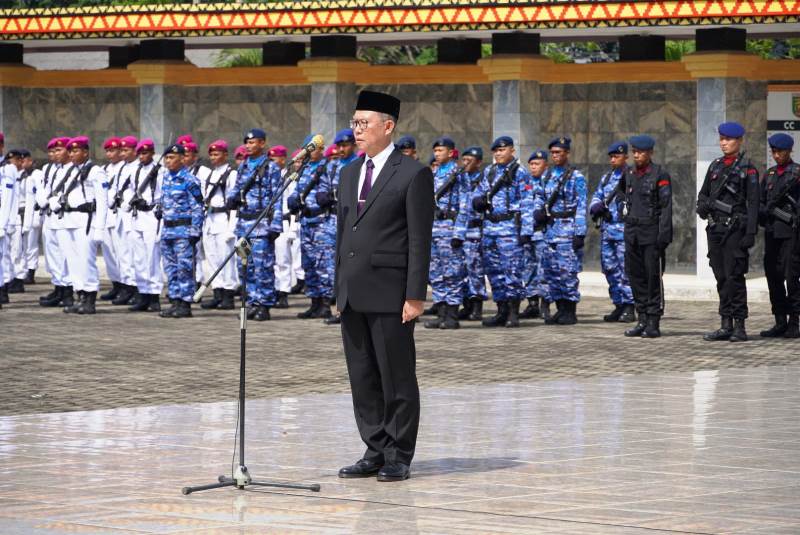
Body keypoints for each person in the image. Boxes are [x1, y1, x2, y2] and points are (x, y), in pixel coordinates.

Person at [336, 90, 434, 482]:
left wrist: (414, 295)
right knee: (363, 377)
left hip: (392, 292)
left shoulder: (412, 174)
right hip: (353, 292)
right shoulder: (348, 173)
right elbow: (343, 234)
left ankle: (398, 453)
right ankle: (374, 448)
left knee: (396, 376)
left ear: (388, 126)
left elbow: (419, 239)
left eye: (364, 123)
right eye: (354, 123)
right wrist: (337, 291)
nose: (356, 130)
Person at [696, 122, 760, 342]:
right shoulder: (715, 166)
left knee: (735, 277)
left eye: (728, 139)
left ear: (739, 141)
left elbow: (753, 203)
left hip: (735, 230)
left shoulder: (747, 168)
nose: (724, 143)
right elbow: (703, 195)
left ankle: (740, 325)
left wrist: (750, 232)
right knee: (721, 277)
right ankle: (725, 323)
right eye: (722, 139)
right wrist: (702, 207)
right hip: (715, 228)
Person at [225, 128, 283, 321]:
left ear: (263, 143)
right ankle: (251, 302)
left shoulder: (271, 167)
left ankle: (264, 305)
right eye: (247, 143)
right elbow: (237, 189)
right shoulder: (243, 166)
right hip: (243, 224)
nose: (249, 146)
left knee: (262, 267)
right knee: (245, 266)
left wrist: (275, 225)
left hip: (261, 224)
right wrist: (231, 199)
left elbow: (277, 196)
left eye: (253, 142)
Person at [472, 136, 529, 328]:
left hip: (510, 228)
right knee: (494, 271)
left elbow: (528, 202)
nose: (498, 153)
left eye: (502, 150)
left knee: (511, 270)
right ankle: (501, 310)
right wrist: (477, 201)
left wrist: (526, 231)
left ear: (512, 151)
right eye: (495, 151)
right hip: (490, 228)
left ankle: (514, 312)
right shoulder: (489, 171)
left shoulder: (520, 173)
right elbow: (478, 193)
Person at [532, 136, 587, 325]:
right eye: (553, 153)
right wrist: (538, 212)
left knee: (567, 272)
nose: (555, 156)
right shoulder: (546, 175)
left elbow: (581, 206)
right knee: (552, 272)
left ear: (567, 153)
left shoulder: (575, 177)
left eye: (559, 152)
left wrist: (579, 232)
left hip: (567, 228)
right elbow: (539, 196)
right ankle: (560, 308)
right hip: (550, 230)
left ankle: (570, 310)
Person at [622, 135, 672, 338]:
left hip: (651, 234)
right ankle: (641, 317)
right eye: (634, 152)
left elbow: (666, 206)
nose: (637, 155)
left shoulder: (659, 174)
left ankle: (653, 321)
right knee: (636, 277)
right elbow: (622, 198)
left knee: (652, 277)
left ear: (650, 152)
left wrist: (664, 234)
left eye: (640, 152)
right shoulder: (630, 173)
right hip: (633, 233)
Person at [51, 136, 108, 315]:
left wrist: (99, 228)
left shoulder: (95, 171)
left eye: (76, 151)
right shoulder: (70, 171)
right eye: (71, 151)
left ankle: (90, 297)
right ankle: (80, 294)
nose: (73, 154)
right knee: (73, 261)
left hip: (86, 221)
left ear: (86, 152)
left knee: (85, 260)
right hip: (68, 220)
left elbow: (102, 201)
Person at [288, 134, 334, 320]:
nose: (310, 151)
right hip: (306, 222)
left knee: (323, 264)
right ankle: (314, 302)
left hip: (322, 222)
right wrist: (293, 200)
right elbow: (297, 191)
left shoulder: (328, 167)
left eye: (313, 148)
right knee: (308, 264)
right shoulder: (305, 168)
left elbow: (333, 192)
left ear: (321, 150)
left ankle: (325, 304)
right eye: (307, 148)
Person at [758, 133, 800, 338]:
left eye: (780, 152)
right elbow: (760, 201)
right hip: (773, 232)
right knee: (773, 276)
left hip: (792, 234)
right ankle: (780, 320)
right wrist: (763, 213)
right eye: (773, 152)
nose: (776, 155)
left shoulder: (797, 173)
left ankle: (795, 321)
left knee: (792, 278)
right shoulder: (769, 175)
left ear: (789, 151)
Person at [589, 141, 636, 322]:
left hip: (623, 231)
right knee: (609, 269)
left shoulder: (631, 177)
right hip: (608, 231)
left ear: (625, 157)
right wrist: (596, 207)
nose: (613, 159)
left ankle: (629, 306)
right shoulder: (607, 178)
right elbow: (597, 196)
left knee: (626, 270)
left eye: (617, 156)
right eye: (611, 156)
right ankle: (618, 304)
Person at [159, 143, 205, 318]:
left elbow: (198, 207)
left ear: (181, 159)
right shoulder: (166, 178)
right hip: (168, 230)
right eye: (166, 158)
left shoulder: (189, 180)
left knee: (184, 268)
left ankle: (185, 303)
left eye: (171, 158)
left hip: (184, 232)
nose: (168, 161)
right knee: (170, 268)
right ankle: (175, 301)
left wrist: (195, 231)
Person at [425, 137, 467, 330]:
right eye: (436, 150)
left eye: (441, 150)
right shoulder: (433, 173)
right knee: (436, 273)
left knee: (452, 272)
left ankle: (452, 314)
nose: (437, 154)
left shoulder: (457, 174)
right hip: (432, 229)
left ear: (451, 153)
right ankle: (441, 312)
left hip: (449, 229)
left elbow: (465, 206)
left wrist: (459, 233)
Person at [319, 128, 359, 325]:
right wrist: (324, 196)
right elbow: (324, 188)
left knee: (352, 266)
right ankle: (336, 306)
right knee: (332, 265)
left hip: (354, 222)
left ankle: (352, 308)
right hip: (332, 221)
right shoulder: (332, 166)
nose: (342, 149)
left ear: (353, 145)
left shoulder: (360, 164)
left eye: (345, 145)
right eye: (339, 146)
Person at [124, 139, 163, 313]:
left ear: (152, 153)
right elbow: (130, 190)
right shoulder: (135, 170)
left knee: (152, 257)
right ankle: (143, 293)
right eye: (140, 153)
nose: (142, 156)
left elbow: (162, 194)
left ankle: (154, 296)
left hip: (151, 215)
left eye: (146, 153)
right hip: (137, 215)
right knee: (138, 258)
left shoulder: (160, 172)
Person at [199, 140, 239, 311]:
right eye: (211, 155)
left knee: (226, 259)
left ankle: (228, 295)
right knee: (213, 259)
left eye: (217, 154)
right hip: (210, 220)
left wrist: (232, 227)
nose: (213, 158)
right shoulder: (210, 174)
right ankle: (217, 292)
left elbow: (235, 203)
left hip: (223, 219)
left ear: (225, 155)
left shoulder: (231, 174)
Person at [37, 137, 73, 308]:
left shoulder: (74, 169)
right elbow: (43, 188)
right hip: (49, 217)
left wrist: (55, 200)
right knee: (52, 255)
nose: (54, 154)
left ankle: (67, 291)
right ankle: (58, 286)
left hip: (64, 217)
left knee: (65, 255)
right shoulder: (49, 169)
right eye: (51, 151)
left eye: (58, 150)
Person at [453, 146, 486, 321]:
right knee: (461, 269)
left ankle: (477, 306)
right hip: (460, 231)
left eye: (469, 160)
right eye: (463, 160)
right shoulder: (458, 179)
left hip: (475, 231)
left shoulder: (483, 179)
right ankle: (465, 304)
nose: (465, 163)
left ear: (479, 162)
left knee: (475, 269)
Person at [519, 149, 551, 320]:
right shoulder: (526, 183)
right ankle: (532, 303)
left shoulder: (550, 182)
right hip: (527, 234)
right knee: (528, 269)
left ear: (545, 165)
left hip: (543, 233)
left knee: (544, 270)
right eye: (531, 164)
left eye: (537, 164)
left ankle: (545, 304)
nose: (533, 167)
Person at [270, 144, 303, 308]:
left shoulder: (289, 178)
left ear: (283, 160)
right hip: (268, 223)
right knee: (272, 260)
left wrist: (292, 227)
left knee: (283, 260)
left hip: (284, 222)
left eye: (275, 158)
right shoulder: (268, 177)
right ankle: (273, 290)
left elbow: (292, 204)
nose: (272, 162)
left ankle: (283, 293)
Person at [109, 135, 140, 305]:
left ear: (135, 151)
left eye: (126, 150)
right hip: (120, 215)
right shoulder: (122, 167)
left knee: (133, 254)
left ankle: (136, 288)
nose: (122, 153)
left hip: (132, 215)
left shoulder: (139, 168)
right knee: (123, 255)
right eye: (121, 150)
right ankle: (127, 286)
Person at [98, 137, 125, 301]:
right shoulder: (104, 169)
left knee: (121, 253)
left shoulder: (125, 168)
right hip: (106, 215)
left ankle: (126, 286)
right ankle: (116, 284)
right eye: (107, 151)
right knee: (109, 254)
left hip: (118, 215)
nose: (110, 154)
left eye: (113, 150)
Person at [0, 149, 22, 307]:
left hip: (4, 218)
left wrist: (3, 223)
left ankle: (2, 290)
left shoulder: (8, 168)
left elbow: (8, 199)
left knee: (4, 256)